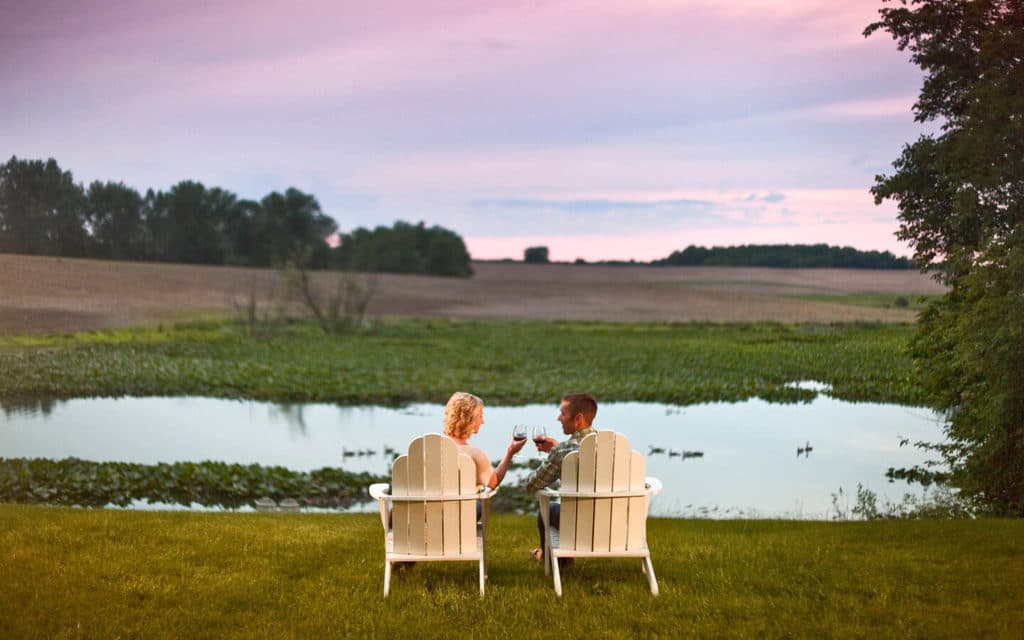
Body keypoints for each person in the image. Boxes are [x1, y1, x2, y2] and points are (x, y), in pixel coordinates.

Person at [525, 392, 598, 564]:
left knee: (547, 509)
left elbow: (532, 485)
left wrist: (555, 454)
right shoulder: (614, 447)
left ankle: (554, 561)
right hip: (611, 524)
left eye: (563, 414)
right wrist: (556, 450)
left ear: (578, 419)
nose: (559, 418)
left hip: (578, 525)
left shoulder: (563, 451)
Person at [443, 391, 525, 489]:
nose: (482, 421)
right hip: (464, 504)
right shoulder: (475, 454)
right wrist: (509, 453)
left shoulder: (429, 449)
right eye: (480, 416)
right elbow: (493, 482)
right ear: (469, 419)